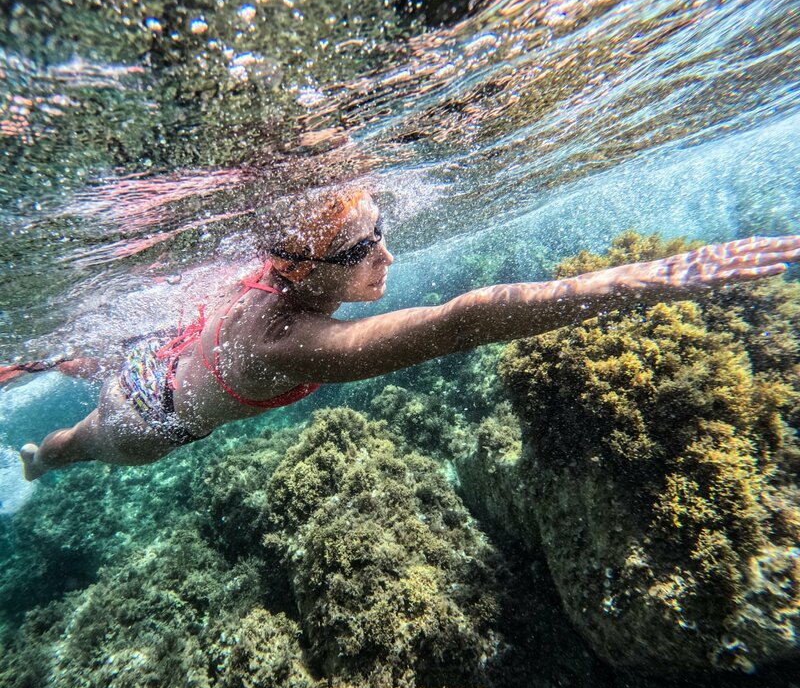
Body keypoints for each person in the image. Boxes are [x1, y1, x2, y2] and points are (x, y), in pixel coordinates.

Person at [15, 187, 800, 481]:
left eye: (381, 230)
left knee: (113, 356)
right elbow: (465, 321)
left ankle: (53, 359)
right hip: (149, 421)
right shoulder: (288, 344)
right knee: (70, 446)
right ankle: (36, 460)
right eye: (362, 249)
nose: (387, 255)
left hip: (168, 351)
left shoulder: (280, 266)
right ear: (306, 267)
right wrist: (660, 276)